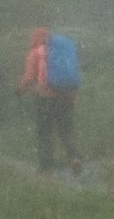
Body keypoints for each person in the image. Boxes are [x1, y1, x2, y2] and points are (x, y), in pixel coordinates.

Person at [19, 26, 82, 175]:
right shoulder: (61, 51)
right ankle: (74, 158)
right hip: (66, 97)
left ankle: (45, 169)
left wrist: (20, 90)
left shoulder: (35, 53)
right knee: (66, 131)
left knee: (45, 134)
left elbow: (29, 78)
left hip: (45, 99)